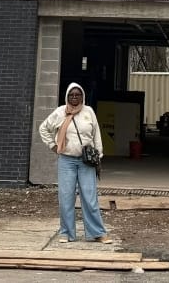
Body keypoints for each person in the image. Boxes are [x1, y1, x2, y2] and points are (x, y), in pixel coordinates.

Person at [38, 82, 111, 243]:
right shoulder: (59, 112)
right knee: (66, 197)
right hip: (67, 161)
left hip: (86, 161)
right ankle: (66, 233)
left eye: (78, 94)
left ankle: (97, 233)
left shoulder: (88, 111)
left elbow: (96, 134)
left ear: (82, 96)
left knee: (90, 197)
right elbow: (43, 128)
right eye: (71, 95)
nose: (74, 97)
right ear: (67, 97)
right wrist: (52, 145)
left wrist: (99, 155)